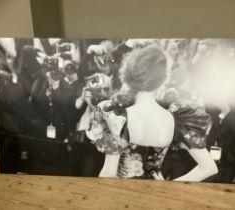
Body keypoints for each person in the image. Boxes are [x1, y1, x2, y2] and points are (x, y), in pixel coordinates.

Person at [92, 46, 218, 181]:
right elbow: (210, 168)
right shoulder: (175, 119)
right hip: (156, 195)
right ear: (163, 79)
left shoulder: (116, 117)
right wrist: (169, 187)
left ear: (129, 74)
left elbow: (108, 174)